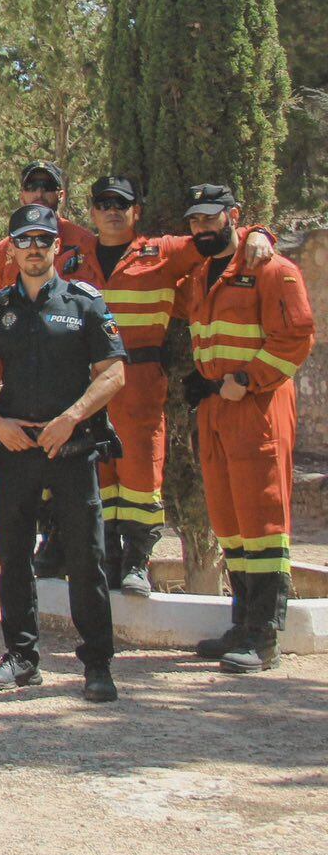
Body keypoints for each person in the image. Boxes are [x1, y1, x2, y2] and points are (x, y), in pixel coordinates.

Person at [0, 203, 127, 702]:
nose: (34, 248)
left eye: (43, 239)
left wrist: (71, 418)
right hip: (15, 448)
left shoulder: (85, 302)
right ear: (10, 249)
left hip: (71, 447)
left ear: (57, 246)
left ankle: (98, 663)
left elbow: (114, 373)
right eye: (25, 240)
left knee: (86, 559)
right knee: (13, 557)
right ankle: (21, 657)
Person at [87, 176, 272, 594]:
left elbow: (218, 241)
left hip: (139, 378)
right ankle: (106, 562)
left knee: (140, 469)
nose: (113, 211)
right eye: (103, 203)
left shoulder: (162, 250)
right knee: (99, 475)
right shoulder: (74, 255)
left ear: (137, 211)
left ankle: (137, 561)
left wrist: (259, 232)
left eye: (122, 203)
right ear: (93, 211)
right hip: (88, 382)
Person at [180, 184, 316, 673]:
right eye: (194, 221)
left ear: (234, 216)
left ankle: (264, 635)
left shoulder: (273, 270)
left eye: (210, 220)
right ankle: (242, 623)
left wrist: (247, 378)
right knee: (230, 521)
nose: (201, 229)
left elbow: (297, 336)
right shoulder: (200, 275)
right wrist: (205, 380)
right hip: (216, 411)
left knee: (262, 519)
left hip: (257, 407)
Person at [0, 161, 101, 292]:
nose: (39, 193)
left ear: (61, 195)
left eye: (47, 187)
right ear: (22, 196)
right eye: (32, 187)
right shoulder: (2, 251)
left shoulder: (85, 242)